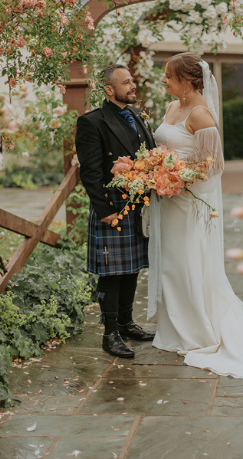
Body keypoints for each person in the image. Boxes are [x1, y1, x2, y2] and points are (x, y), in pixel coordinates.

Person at [148, 52, 243, 377]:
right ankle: (174, 330)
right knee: (170, 265)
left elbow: (210, 167)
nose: (164, 80)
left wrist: (175, 179)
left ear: (187, 80)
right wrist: (151, 171)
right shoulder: (172, 106)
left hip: (186, 202)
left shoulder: (202, 114)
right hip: (166, 201)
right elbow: (164, 148)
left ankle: (198, 332)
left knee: (188, 263)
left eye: (169, 75)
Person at [75, 64, 157, 358]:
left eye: (133, 80)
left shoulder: (137, 115)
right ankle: (110, 334)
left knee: (132, 267)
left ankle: (125, 322)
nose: (133, 85)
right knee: (112, 272)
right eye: (126, 82)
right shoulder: (92, 122)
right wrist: (105, 209)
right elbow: (91, 171)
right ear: (109, 90)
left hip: (137, 203)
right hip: (113, 205)